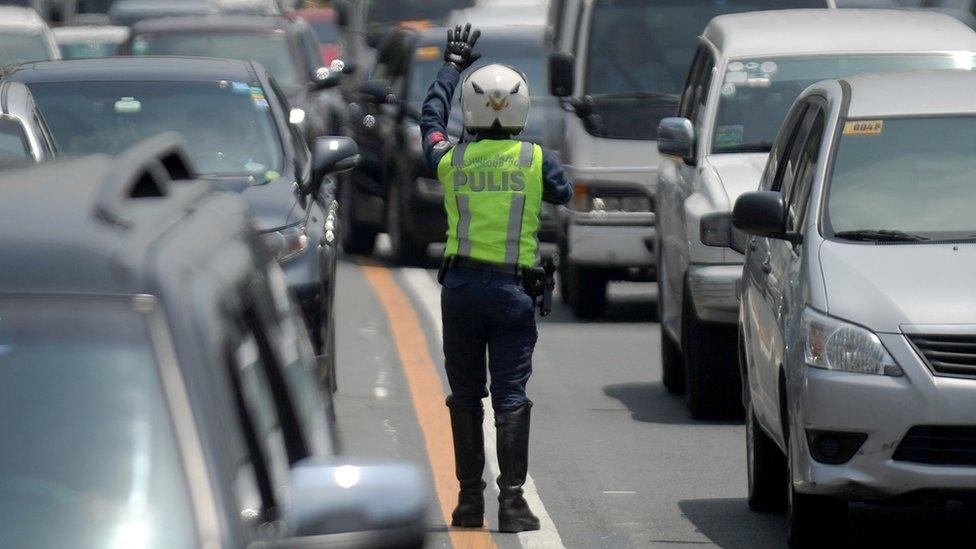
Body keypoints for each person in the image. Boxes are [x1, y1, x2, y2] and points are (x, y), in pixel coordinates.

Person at [420, 23, 572, 533]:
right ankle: (512, 505)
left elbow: (429, 121)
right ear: (522, 107)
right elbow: (564, 190)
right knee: (510, 396)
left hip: (461, 292)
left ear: (470, 108)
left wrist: (451, 67)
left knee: (465, 396)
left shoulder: (449, 159)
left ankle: (467, 504)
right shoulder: (533, 160)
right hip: (512, 294)